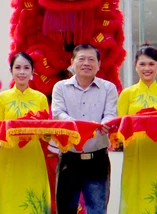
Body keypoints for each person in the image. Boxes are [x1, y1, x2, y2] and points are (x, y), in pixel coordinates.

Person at [51, 44, 118, 214]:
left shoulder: (108, 88)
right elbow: (58, 113)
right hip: (69, 158)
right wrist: (80, 127)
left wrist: (106, 123)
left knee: (97, 209)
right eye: (81, 59)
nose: (86, 63)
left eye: (91, 60)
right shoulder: (60, 87)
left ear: (99, 64)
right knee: (66, 209)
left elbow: (110, 113)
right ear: (72, 62)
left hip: (97, 160)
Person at [116, 45, 157, 214]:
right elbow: (120, 129)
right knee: (135, 192)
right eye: (142, 64)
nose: (147, 68)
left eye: (151, 64)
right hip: (135, 153)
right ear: (135, 66)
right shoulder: (127, 94)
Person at [0, 51, 51, 214]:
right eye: (17, 67)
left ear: (32, 72)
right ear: (11, 71)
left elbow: (45, 132)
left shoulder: (40, 98)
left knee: (32, 198)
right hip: (8, 156)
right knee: (9, 197)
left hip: (32, 155)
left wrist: (49, 132)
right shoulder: (2, 98)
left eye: (26, 68)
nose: (22, 72)